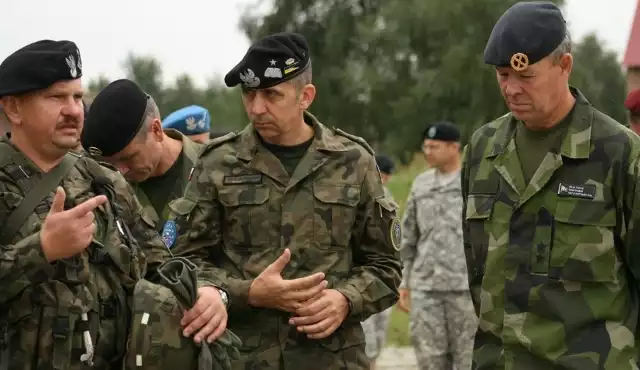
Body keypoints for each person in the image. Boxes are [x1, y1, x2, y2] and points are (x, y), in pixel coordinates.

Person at [168, 32, 403, 370]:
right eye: (248, 94)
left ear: (305, 96)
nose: (256, 108)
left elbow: (386, 267)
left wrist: (345, 300)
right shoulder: (217, 163)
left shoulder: (353, 161)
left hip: (333, 358)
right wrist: (245, 293)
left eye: (271, 94)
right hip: (245, 358)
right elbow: (182, 262)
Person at [0, 40, 234, 369]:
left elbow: (159, 263)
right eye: (56, 97)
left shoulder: (104, 179)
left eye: (77, 97)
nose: (72, 110)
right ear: (13, 108)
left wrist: (208, 293)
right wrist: (42, 249)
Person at [462, 2, 640, 369]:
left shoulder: (619, 153)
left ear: (565, 66)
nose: (511, 89)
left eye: (526, 78)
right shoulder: (483, 149)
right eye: (502, 75)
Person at [81, 79, 205, 236]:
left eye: (128, 158)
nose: (121, 171)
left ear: (156, 130)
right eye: (112, 163)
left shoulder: (215, 167)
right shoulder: (106, 189)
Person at [399, 122, 476, 370]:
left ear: (454, 148)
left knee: (468, 359)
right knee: (430, 360)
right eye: (426, 147)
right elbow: (408, 237)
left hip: (465, 290)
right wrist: (404, 282)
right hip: (426, 288)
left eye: (434, 147)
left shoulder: (473, 184)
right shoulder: (421, 184)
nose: (428, 152)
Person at [361, 154, 397, 370]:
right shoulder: (357, 196)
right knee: (366, 337)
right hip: (361, 277)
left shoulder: (389, 199)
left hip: (383, 277)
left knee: (379, 334)